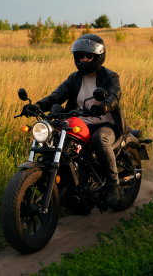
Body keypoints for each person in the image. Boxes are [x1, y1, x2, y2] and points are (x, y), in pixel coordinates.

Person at [33, 33, 125, 207]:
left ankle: (114, 185)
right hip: (79, 123)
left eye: (89, 56)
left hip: (106, 124)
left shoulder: (110, 76)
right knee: (57, 139)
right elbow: (56, 96)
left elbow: (114, 95)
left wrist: (105, 106)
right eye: (80, 56)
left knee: (100, 140)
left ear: (98, 56)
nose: (84, 59)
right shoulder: (74, 78)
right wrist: (37, 106)